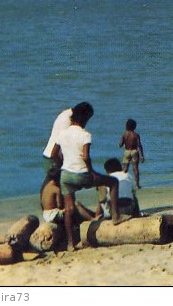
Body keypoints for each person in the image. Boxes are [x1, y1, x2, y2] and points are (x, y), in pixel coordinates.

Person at [54, 102, 123, 250]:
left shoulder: (62, 134)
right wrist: (91, 171)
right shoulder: (85, 135)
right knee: (113, 182)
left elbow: (54, 154)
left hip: (65, 176)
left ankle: (71, 244)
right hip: (82, 174)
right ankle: (116, 217)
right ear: (85, 118)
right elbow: (85, 157)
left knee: (69, 208)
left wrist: (62, 165)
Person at [43, 105, 75, 172]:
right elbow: (61, 141)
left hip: (50, 155)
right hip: (54, 158)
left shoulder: (65, 114)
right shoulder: (68, 119)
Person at [119, 118, 145, 188]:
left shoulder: (124, 134)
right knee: (135, 168)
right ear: (134, 126)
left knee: (125, 168)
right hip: (134, 151)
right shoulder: (136, 135)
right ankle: (137, 185)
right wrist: (142, 155)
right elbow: (139, 145)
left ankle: (121, 183)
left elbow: (120, 145)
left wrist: (124, 142)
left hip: (127, 151)